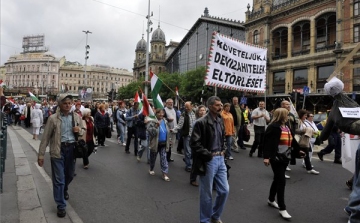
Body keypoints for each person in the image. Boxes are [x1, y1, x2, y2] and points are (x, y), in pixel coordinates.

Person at [38, 94, 84, 218]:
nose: (68, 105)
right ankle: (61, 206)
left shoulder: (76, 117)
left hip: (71, 150)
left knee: (69, 175)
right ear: (59, 104)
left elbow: (83, 130)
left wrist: (79, 130)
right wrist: (41, 155)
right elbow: (45, 137)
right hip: (58, 150)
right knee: (59, 179)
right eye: (65, 103)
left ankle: (64, 189)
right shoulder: (53, 119)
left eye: (70, 103)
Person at [190, 96, 229, 223]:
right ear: (210, 106)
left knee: (224, 190)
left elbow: (222, 137)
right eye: (218, 105)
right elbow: (194, 143)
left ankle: (215, 215)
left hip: (220, 159)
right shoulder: (201, 122)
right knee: (206, 194)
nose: (220, 107)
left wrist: (224, 149)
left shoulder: (220, 120)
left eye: (221, 104)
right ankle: (205, 220)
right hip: (209, 160)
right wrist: (208, 155)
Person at [263, 108, 305, 220]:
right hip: (275, 158)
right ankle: (282, 208)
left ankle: (271, 199)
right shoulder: (273, 127)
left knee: (277, 179)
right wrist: (266, 157)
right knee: (281, 181)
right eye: (286, 114)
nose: (288, 116)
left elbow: (292, 140)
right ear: (281, 115)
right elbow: (266, 142)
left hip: (285, 156)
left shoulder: (286, 126)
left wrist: (298, 150)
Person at [147, 108, 171, 181]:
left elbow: (167, 132)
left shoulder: (165, 121)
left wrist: (169, 140)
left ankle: (164, 174)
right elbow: (151, 133)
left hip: (163, 144)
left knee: (164, 159)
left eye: (162, 113)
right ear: (156, 114)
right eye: (159, 113)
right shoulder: (152, 122)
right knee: (153, 158)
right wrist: (156, 127)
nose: (161, 114)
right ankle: (151, 168)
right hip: (155, 144)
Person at [172, 101, 196, 172]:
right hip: (187, 135)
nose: (186, 108)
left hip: (195, 136)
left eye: (188, 106)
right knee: (188, 151)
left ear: (192, 106)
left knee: (193, 151)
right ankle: (188, 166)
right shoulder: (183, 115)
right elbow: (179, 125)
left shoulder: (195, 113)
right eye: (185, 106)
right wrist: (173, 130)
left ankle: (187, 159)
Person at [296, 109, 319, 175]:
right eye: (305, 115)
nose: (306, 117)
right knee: (292, 154)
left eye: (306, 115)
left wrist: (312, 132)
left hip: (305, 140)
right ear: (301, 115)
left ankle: (309, 169)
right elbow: (295, 130)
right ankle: (284, 167)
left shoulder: (304, 122)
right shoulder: (298, 121)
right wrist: (304, 131)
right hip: (299, 140)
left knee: (307, 155)